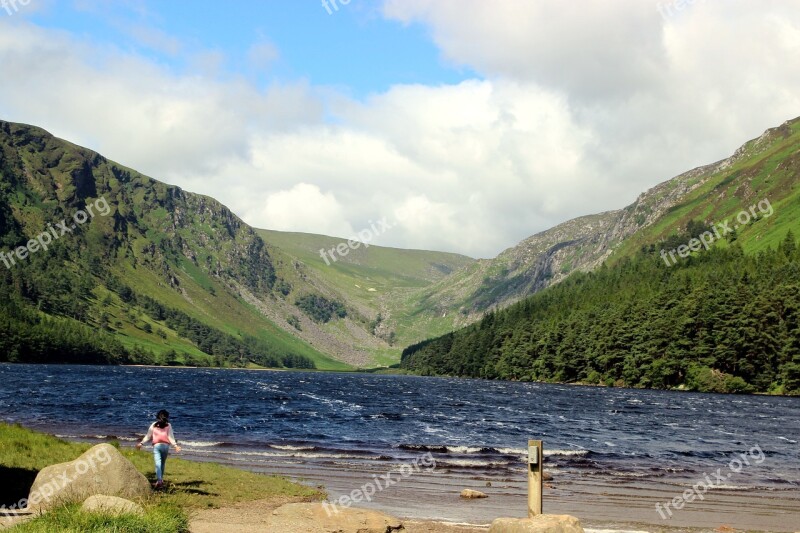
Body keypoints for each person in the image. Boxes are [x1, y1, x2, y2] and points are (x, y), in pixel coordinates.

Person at [136, 409, 181, 488]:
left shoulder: (154, 425)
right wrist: (175, 446)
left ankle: (159, 481)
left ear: (157, 416)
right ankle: (160, 480)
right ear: (167, 417)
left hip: (157, 446)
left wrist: (141, 443)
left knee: (158, 464)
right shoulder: (168, 425)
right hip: (165, 447)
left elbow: (148, 436)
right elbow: (171, 437)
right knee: (162, 463)